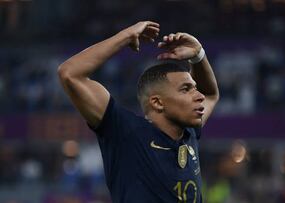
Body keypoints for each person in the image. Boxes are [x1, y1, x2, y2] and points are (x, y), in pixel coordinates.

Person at [58, 21, 219, 203]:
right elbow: (69, 73)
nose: (198, 96)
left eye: (195, 88)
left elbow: (209, 94)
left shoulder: (188, 133)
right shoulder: (126, 133)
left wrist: (198, 56)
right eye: (185, 89)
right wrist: (126, 36)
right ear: (157, 103)